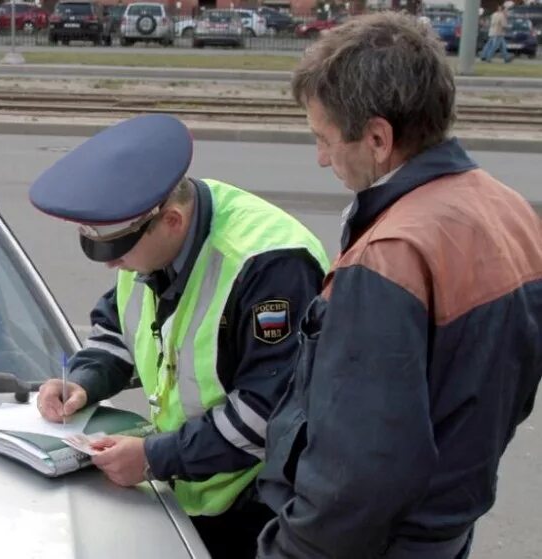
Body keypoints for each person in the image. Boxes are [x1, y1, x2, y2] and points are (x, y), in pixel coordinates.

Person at [257, 12, 542, 559]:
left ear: (379, 138)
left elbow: (359, 469)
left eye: (324, 138)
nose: (321, 158)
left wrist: (291, 548)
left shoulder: (390, 255)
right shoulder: (507, 209)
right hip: (446, 525)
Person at [30, 114, 330, 559]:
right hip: (189, 487)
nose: (111, 265)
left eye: (117, 250)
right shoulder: (146, 244)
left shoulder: (270, 265)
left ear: (171, 220)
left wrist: (154, 457)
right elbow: (119, 327)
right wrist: (84, 380)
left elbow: (267, 413)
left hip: (260, 505)